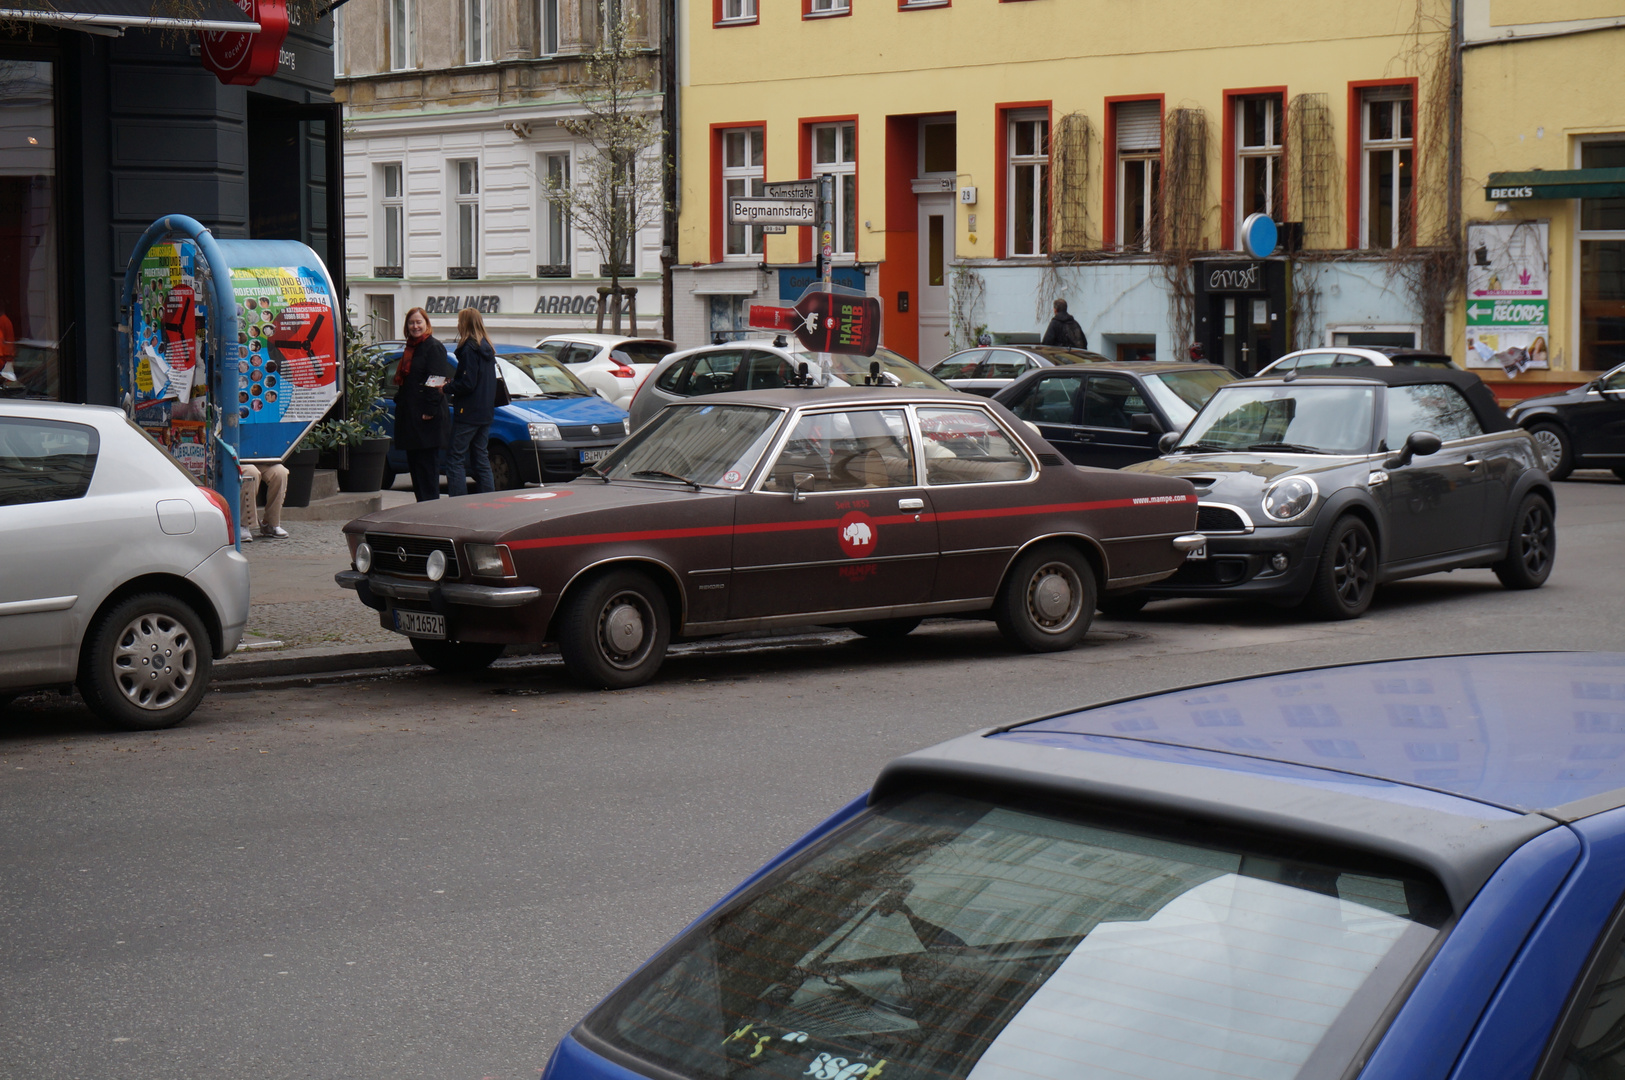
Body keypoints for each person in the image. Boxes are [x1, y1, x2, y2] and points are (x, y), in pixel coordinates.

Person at [392, 307, 453, 502]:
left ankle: (429, 511)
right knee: (416, 469)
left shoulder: (433, 347)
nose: (415, 326)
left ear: (427, 324)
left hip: (427, 419)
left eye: (419, 322)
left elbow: (436, 379)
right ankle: (420, 508)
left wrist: (429, 410)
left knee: (427, 471)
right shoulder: (411, 348)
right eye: (411, 322)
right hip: (411, 418)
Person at [446, 307, 498, 496]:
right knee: (481, 457)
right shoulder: (487, 348)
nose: (457, 325)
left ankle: (459, 504)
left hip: (468, 412)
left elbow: (467, 383)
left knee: (455, 459)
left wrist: (446, 388)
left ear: (465, 324)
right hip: (485, 413)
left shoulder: (469, 348)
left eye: (459, 321)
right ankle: (489, 501)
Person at [239, 461, 290, 542]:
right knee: (251, 472)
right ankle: (243, 524)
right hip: (237, 459)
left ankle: (271, 523)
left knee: (280, 472)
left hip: (262, 460)